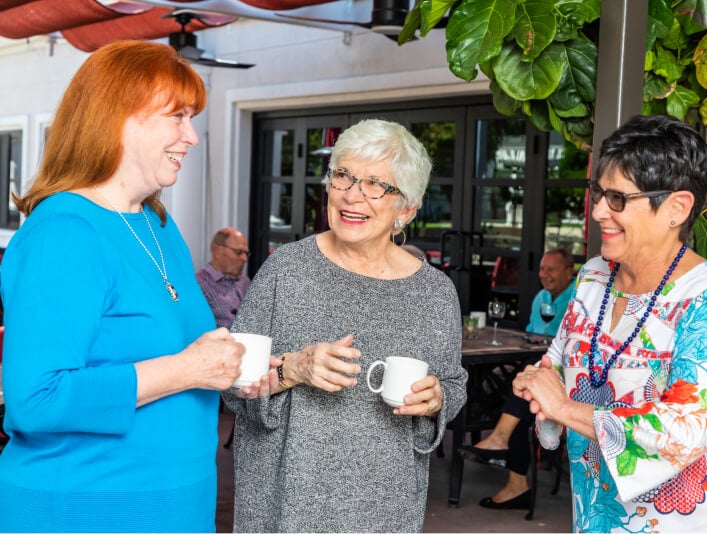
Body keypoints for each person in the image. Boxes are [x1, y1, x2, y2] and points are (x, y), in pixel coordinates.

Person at [0, 41, 245, 532]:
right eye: (177, 117)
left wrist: (244, 367)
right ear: (119, 119)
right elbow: (36, 399)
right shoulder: (64, 234)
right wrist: (186, 370)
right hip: (88, 509)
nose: (191, 137)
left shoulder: (155, 223)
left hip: (176, 504)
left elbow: (178, 351)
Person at [512, 115, 707, 532]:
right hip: (598, 510)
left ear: (676, 208)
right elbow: (557, 362)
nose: (597, 212)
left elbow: (684, 431)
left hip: (690, 521)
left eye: (618, 199)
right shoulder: (593, 276)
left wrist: (563, 407)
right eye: (598, 193)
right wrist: (538, 382)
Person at [223, 119, 468, 532]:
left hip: (385, 509)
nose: (352, 196)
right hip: (286, 505)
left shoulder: (435, 292)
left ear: (405, 208)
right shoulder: (287, 270)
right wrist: (294, 368)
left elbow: (453, 384)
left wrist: (437, 399)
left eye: (376, 184)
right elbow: (233, 378)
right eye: (343, 176)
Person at [460, 248, 575, 510]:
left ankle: (503, 445)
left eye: (552, 269)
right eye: (542, 269)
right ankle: (510, 463)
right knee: (516, 390)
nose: (545, 275)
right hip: (538, 370)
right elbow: (533, 335)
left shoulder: (580, 296)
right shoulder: (541, 298)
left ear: (570, 271)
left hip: (567, 376)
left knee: (523, 388)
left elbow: (566, 348)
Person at [196, 227, 252, 329]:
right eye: (238, 252)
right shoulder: (198, 285)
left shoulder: (244, 281)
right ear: (217, 251)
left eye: (246, 253)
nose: (244, 258)